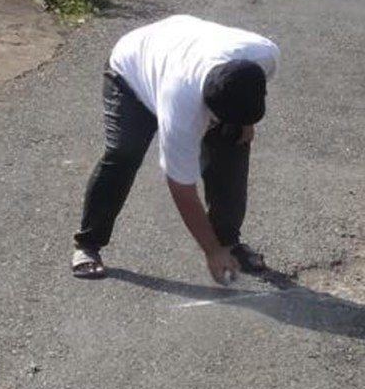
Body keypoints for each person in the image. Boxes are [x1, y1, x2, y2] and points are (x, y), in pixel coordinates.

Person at [72, 15, 280, 284]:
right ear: (207, 108)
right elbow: (182, 188)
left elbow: (250, 93)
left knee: (233, 146)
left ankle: (229, 242)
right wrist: (210, 252)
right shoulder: (182, 107)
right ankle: (88, 244)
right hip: (131, 71)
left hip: (178, 43)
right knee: (124, 153)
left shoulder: (265, 55)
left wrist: (245, 123)